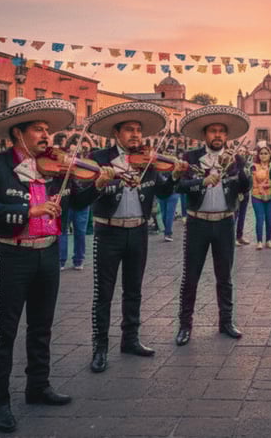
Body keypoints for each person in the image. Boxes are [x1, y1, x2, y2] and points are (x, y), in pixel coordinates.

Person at [0, 97, 103, 433]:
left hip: (47, 252)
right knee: (5, 331)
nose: (47, 136)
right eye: (39, 130)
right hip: (11, 254)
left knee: (42, 326)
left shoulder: (56, 165)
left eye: (48, 130)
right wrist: (27, 212)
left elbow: (79, 200)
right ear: (18, 133)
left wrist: (98, 184)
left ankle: (38, 386)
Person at [85, 102, 178, 373]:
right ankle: (100, 346)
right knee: (104, 292)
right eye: (129, 130)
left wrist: (173, 177)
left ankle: (131, 338)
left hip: (138, 229)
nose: (136, 135)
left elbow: (162, 193)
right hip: (108, 229)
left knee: (134, 289)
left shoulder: (148, 160)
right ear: (116, 133)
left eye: (138, 130)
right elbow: (87, 192)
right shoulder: (100, 158)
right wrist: (110, 181)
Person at [174, 105, 251, 345]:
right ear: (205, 135)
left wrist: (240, 170)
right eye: (212, 131)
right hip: (198, 222)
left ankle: (226, 322)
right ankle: (185, 325)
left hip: (225, 222)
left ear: (227, 136)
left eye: (221, 132)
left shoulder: (236, 159)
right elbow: (180, 186)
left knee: (225, 276)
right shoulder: (191, 158)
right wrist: (202, 181)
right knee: (191, 276)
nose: (217, 135)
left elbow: (246, 187)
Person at [250, 145, 271, 249]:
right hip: (257, 196)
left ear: (270, 154)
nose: (263, 155)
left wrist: (268, 185)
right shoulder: (254, 166)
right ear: (258, 155)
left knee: (269, 219)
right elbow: (252, 181)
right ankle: (259, 241)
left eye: (266, 153)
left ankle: (269, 240)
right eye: (261, 153)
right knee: (259, 219)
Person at [235, 145, 252, 246]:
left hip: (246, 193)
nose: (241, 152)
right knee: (235, 216)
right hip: (236, 193)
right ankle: (232, 237)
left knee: (242, 216)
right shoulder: (233, 164)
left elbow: (250, 178)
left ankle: (240, 236)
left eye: (243, 151)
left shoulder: (248, 164)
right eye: (239, 150)